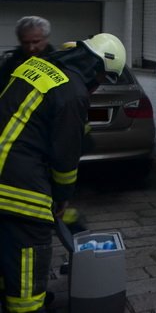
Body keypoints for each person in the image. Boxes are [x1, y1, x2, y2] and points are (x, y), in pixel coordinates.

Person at [0, 33, 126, 313]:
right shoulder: (73, 91)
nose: (99, 87)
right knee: (28, 272)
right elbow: (65, 158)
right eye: (104, 79)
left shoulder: (35, 67)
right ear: (97, 70)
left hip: (6, 178)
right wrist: (61, 198)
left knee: (5, 253)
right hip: (19, 190)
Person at [0, 16, 55, 86]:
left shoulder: (59, 63)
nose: (31, 48)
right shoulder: (10, 63)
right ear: (19, 40)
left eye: (36, 42)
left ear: (46, 39)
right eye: (25, 43)